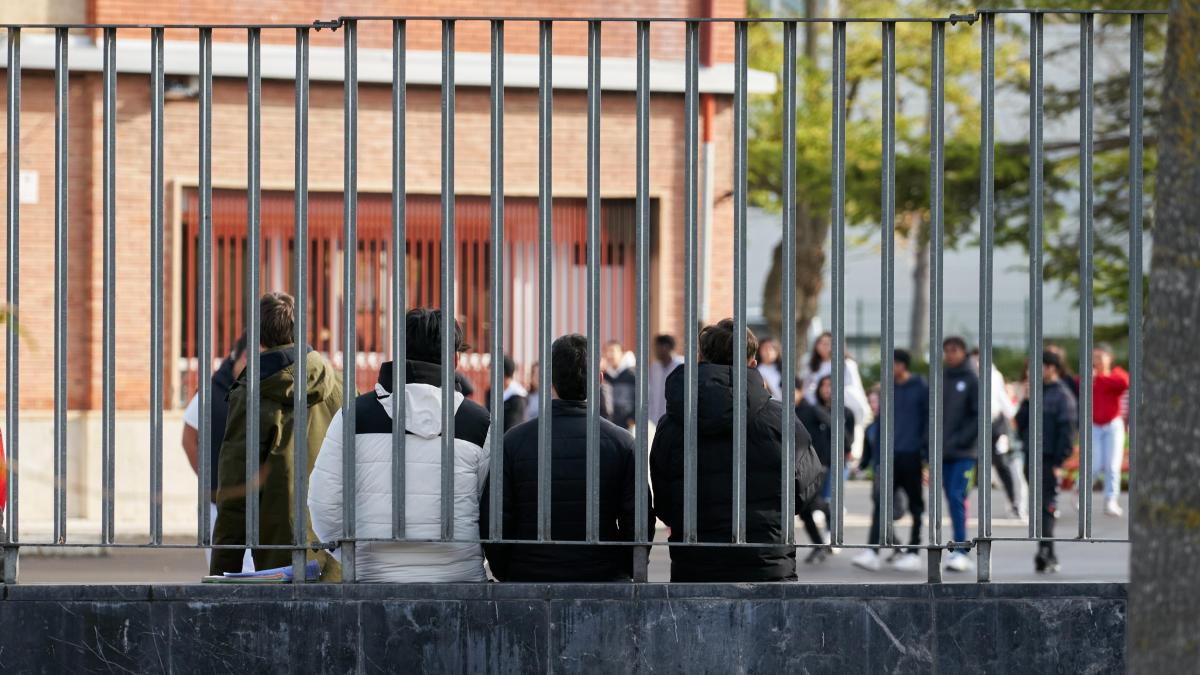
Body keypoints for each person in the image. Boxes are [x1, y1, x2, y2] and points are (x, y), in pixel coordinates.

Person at [308, 308, 492, 582]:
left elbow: (324, 504)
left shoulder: (353, 416)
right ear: (454, 360)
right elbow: (492, 508)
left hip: (374, 578)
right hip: (459, 580)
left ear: (398, 353)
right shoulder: (480, 423)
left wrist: (356, 557)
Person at [650, 318, 825, 582]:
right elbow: (805, 488)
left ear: (700, 358)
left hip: (695, 561)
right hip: (765, 562)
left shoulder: (673, 423)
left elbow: (662, 499)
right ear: (753, 364)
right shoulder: (781, 420)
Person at [480, 334, 655, 581]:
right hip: (602, 576)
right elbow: (638, 523)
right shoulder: (623, 443)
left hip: (528, 576)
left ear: (546, 380)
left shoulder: (513, 442)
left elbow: (495, 519)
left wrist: (508, 570)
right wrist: (623, 568)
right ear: (599, 380)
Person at [210, 292, 343, 576]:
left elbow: (236, 491)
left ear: (256, 336)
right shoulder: (340, 386)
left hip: (280, 557)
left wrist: (222, 574)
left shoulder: (250, 395)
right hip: (337, 550)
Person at [182, 334, 254, 572]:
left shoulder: (259, 391)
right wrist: (208, 477)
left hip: (252, 500)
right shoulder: (211, 393)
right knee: (224, 572)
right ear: (243, 357)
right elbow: (189, 438)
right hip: (216, 502)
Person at [852, 349, 928, 573]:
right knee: (881, 503)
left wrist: (926, 456)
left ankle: (914, 552)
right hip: (889, 457)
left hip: (912, 456)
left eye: (892, 364)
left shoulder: (921, 388)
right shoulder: (888, 388)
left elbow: (928, 422)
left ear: (903, 365)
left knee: (916, 506)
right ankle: (872, 551)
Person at [1016, 350, 1078, 573]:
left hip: (1049, 458)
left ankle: (1046, 552)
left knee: (1046, 506)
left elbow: (1068, 430)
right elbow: (1020, 425)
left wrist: (1059, 462)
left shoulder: (1062, 395)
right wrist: (1025, 402)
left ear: (1051, 368)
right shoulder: (1034, 393)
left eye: (1036, 367)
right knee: (1040, 506)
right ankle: (1046, 552)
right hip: (1030, 456)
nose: (1030, 373)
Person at [794, 375, 853, 563]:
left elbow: (839, 429)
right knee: (804, 508)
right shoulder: (793, 409)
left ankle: (829, 519)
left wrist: (847, 449)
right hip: (802, 465)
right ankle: (819, 543)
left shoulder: (812, 410)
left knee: (810, 503)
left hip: (822, 464)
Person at [970, 348, 1025, 519]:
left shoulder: (994, 375)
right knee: (972, 463)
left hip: (996, 425)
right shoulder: (969, 376)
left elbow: (1001, 398)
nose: (977, 363)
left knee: (1001, 463)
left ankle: (1013, 501)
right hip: (975, 426)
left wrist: (1013, 415)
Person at [940, 336, 979, 573]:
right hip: (944, 451)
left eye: (954, 350)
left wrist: (961, 440)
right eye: (947, 351)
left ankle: (962, 549)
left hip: (964, 452)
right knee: (950, 498)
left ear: (963, 352)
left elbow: (978, 415)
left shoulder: (972, 379)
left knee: (957, 496)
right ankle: (957, 547)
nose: (950, 355)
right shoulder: (942, 377)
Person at [801, 331, 870, 459]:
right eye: (821, 343)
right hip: (816, 409)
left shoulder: (847, 364)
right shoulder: (811, 365)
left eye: (828, 343)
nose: (825, 347)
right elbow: (805, 387)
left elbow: (854, 387)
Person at [1090, 344, 1130, 517]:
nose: (1097, 361)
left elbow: (1124, 383)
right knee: (1094, 465)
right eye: (1095, 357)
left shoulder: (1116, 374)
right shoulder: (1089, 377)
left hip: (1113, 425)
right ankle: (1080, 493)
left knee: (1113, 465)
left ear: (1109, 358)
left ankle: (1111, 500)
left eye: (1100, 357)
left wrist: (1099, 377)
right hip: (1094, 425)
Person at [648, 334, 685, 424]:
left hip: (677, 420)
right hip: (656, 420)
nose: (654, 351)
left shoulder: (682, 365)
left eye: (657, 347)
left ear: (666, 347)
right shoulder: (654, 368)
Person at [486, 355, 528, 432]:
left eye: (492, 372)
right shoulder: (490, 392)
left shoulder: (517, 397)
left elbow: (513, 428)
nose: (488, 375)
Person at [603, 341, 636, 430]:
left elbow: (643, 398)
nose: (609, 355)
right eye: (607, 351)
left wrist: (633, 418)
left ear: (622, 353)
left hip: (628, 426)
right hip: (608, 424)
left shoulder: (632, 375)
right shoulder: (605, 376)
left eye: (613, 351)